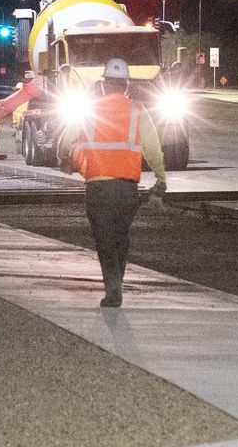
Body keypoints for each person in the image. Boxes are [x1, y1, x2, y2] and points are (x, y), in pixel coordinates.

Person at [69, 58, 167, 308]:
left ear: (103, 85)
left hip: (98, 187)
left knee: (104, 238)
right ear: (125, 86)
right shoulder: (137, 110)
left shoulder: (89, 110)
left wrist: (65, 158)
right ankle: (116, 282)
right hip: (127, 189)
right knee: (121, 235)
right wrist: (161, 178)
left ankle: (113, 288)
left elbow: (65, 140)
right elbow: (153, 149)